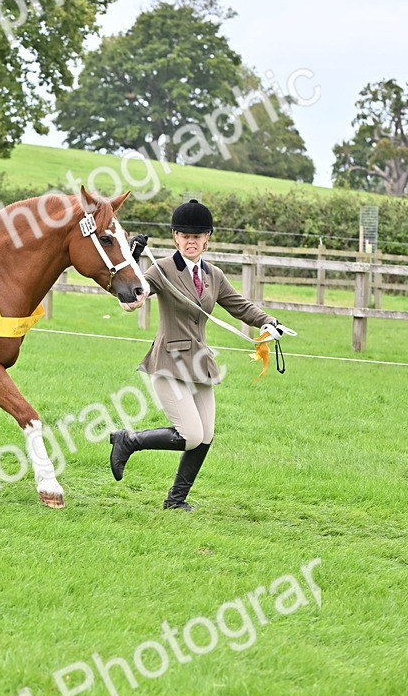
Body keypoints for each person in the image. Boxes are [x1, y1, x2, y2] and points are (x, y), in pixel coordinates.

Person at [111, 199, 285, 511]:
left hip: (200, 363)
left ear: (207, 238)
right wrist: (134, 264)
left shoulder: (213, 275)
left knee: (205, 435)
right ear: (175, 237)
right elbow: (132, 301)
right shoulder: (161, 269)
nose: (191, 241)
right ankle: (128, 440)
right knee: (190, 434)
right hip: (168, 362)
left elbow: (239, 304)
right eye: (185, 235)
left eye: (198, 236)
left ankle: (175, 501)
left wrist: (268, 322)